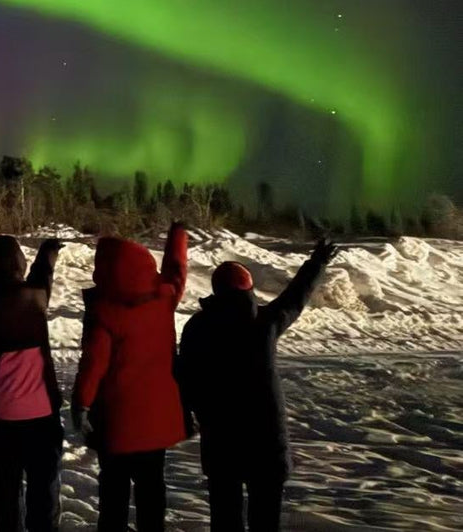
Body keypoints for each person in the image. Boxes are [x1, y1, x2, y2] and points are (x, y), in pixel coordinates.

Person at [177, 239, 340, 532]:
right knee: (266, 519)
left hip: (220, 438)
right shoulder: (264, 323)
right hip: (266, 440)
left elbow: (184, 376)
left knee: (225, 519)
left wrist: (186, 415)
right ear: (248, 289)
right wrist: (317, 263)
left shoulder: (197, 327)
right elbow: (296, 297)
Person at [71, 222, 188, 532]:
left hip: (116, 424)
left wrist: (81, 404)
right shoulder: (163, 298)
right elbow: (177, 272)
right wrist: (178, 235)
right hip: (156, 423)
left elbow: (93, 365)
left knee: (114, 497)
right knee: (152, 491)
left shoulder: (105, 312)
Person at [0, 235, 65, 532]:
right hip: (44, 413)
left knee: (6, 494)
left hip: (5, 415)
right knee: (44, 490)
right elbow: (42, 276)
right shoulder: (36, 295)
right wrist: (47, 253)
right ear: (19, 264)